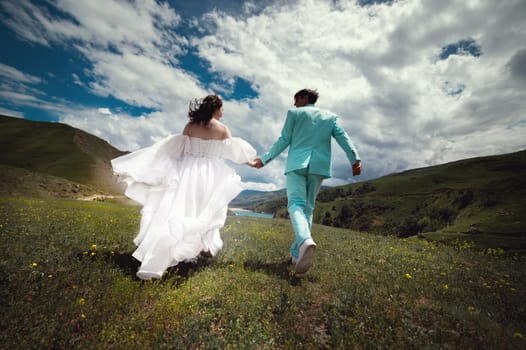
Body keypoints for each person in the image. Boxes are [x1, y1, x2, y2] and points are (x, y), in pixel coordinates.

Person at [111, 95, 256, 280]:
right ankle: (192, 252)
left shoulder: (190, 127)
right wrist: (253, 163)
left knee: (179, 209)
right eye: (222, 108)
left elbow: (175, 151)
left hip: (187, 171)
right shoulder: (222, 129)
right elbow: (235, 153)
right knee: (202, 211)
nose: (223, 112)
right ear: (215, 108)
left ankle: (176, 253)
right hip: (210, 175)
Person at [250, 89, 361, 274]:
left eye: (296, 100)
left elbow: (284, 139)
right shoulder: (330, 117)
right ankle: (296, 254)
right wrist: (355, 159)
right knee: (308, 209)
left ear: (303, 98)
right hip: (319, 165)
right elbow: (343, 137)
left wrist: (265, 159)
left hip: (297, 164)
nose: (294, 104)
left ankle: (303, 241)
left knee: (295, 204)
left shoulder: (294, 114)